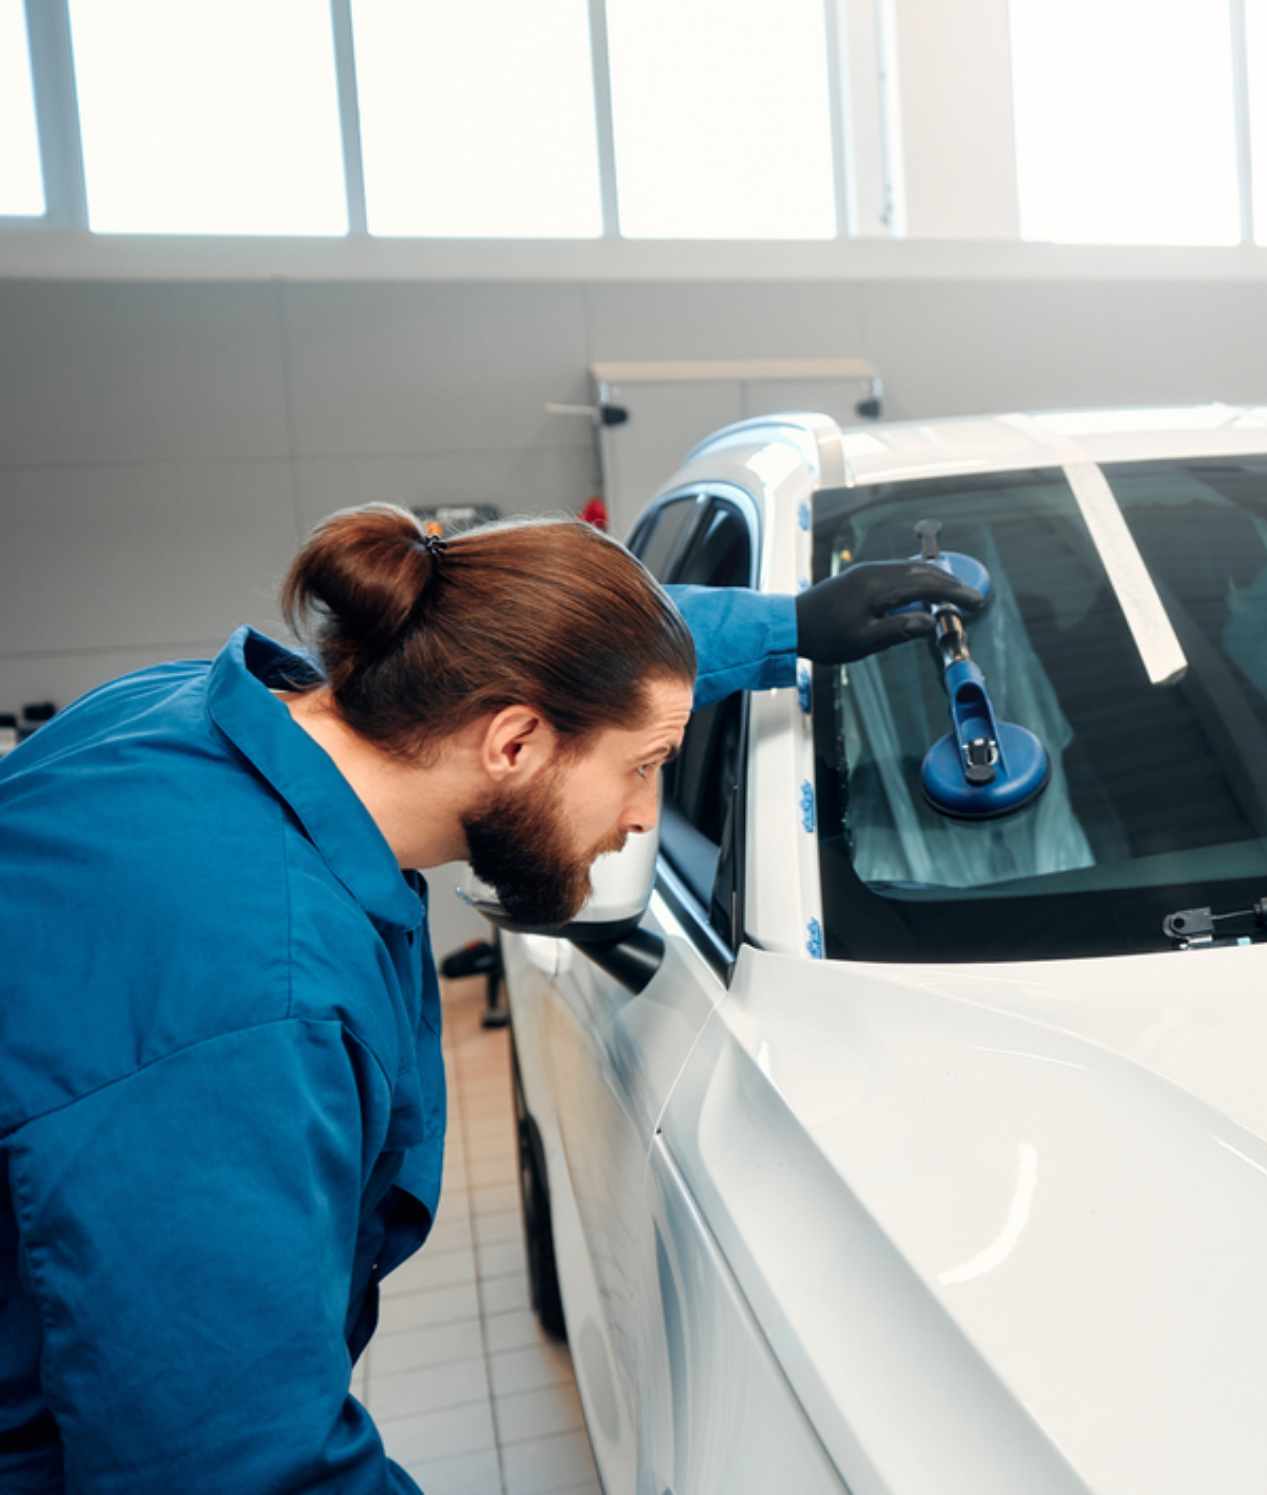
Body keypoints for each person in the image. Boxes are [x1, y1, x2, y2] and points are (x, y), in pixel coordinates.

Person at [0, 505, 975, 1490]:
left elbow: (575, 671)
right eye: (644, 769)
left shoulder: (188, 715)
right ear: (512, 743)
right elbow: (231, 1469)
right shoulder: (255, 1008)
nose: (642, 814)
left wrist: (793, 626)